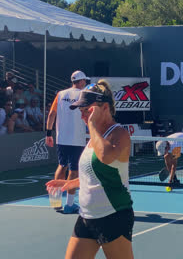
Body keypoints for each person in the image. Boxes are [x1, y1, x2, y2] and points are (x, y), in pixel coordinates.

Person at [46, 79, 134, 258]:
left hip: (113, 215)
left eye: (87, 110)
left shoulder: (119, 134)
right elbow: (96, 174)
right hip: (87, 217)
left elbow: (105, 157)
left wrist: (92, 124)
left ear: (105, 108)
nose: (83, 116)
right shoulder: (94, 137)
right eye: (81, 111)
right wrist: (70, 183)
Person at [45, 70, 88, 213]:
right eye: (84, 81)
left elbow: (51, 114)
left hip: (62, 138)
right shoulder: (84, 94)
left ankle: (56, 202)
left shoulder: (60, 94)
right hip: (77, 139)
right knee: (73, 171)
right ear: (81, 81)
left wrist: (48, 134)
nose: (85, 83)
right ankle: (69, 205)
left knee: (61, 166)